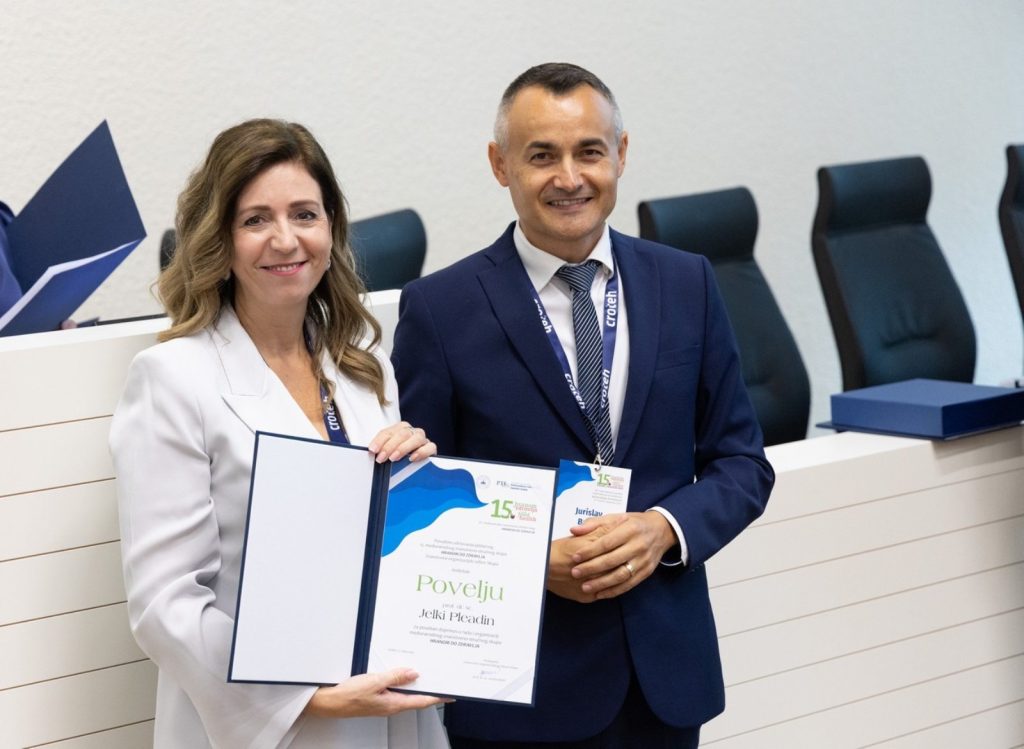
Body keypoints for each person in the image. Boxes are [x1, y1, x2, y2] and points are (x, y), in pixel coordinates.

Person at [391, 64, 775, 748]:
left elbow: (742, 463)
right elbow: (417, 498)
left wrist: (664, 529)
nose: (569, 178)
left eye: (589, 151)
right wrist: (524, 560)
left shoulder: (687, 282)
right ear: (500, 164)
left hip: (663, 680)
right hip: (520, 689)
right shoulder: (440, 310)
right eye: (542, 155)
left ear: (620, 154)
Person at [110, 119, 450, 748]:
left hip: (387, 700)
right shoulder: (172, 379)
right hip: (271, 721)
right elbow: (164, 604)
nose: (286, 239)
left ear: (331, 229)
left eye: (304, 214)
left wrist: (418, 482)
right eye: (255, 220)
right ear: (220, 240)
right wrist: (306, 699)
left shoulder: (362, 367)